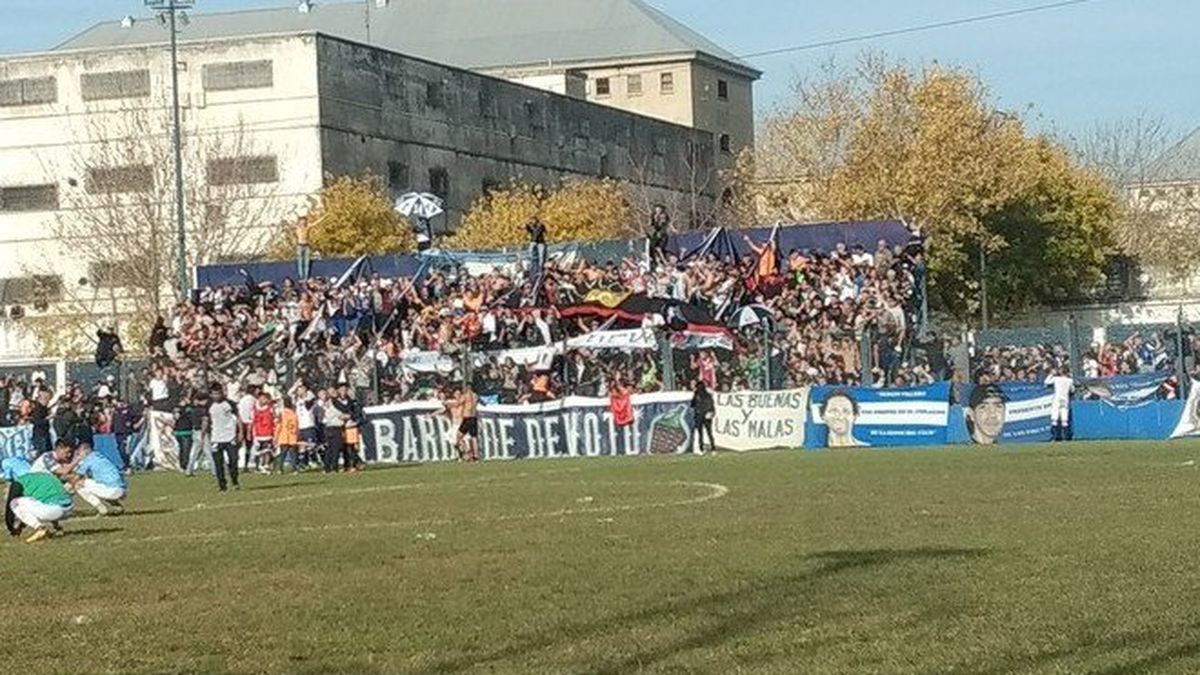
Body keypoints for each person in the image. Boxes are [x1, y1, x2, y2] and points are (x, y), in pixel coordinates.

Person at [5, 468, 74, 543]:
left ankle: (40, 529)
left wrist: (12, 528)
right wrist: (56, 526)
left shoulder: (19, 482)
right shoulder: (46, 477)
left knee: (14, 502)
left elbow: (10, 508)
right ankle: (58, 528)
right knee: (46, 501)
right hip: (69, 509)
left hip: (53, 511)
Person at [204, 385, 241, 492]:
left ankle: (234, 480)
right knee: (218, 463)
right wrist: (203, 434)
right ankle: (222, 485)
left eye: (218, 393)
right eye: (214, 394)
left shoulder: (230, 403)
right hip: (216, 438)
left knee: (233, 460)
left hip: (230, 437)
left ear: (222, 393)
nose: (216, 396)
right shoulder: (209, 405)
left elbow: (238, 418)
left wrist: (241, 432)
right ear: (211, 394)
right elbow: (206, 420)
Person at [72, 446, 127, 516]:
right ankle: (117, 506)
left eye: (79, 453)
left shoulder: (89, 459)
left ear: (85, 451)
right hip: (121, 490)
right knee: (96, 485)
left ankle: (101, 509)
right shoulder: (100, 457)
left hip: (112, 490)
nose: (78, 456)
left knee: (78, 485)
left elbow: (76, 477)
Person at [452, 384, 480, 463]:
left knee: (458, 436)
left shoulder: (465, 396)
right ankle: (476, 457)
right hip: (474, 417)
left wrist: (448, 403)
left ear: (467, 388)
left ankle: (464, 454)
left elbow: (458, 404)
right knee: (474, 438)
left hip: (467, 417)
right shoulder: (475, 396)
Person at [1045, 367, 1074, 441]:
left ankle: (1055, 437)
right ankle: (1065, 437)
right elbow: (1072, 390)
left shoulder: (1056, 379)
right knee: (1064, 419)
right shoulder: (1070, 380)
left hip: (1057, 399)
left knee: (1054, 418)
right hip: (1065, 400)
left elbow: (1046, 382)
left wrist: (1051, 374)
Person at [251, 391, 277, 474]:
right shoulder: (254, 409)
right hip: (258, 434)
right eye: (261, 398)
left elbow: (276, 419)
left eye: (265, 398)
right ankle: (259, 466)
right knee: (259, 451)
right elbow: (252, 421)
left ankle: (266, 465)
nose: (263, 400)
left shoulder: (271, 408)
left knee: (268, 450)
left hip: (268, 433)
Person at [690, 380, 716, 454]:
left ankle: (701, 448)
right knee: (709, 433)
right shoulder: (708, 395)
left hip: (699, 415)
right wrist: (711, 412)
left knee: (700, 433)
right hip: (707, 415)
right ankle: (713, 448)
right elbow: (712, 405)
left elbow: (692, 404)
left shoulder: (696, 394)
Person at [276, 396, 300, 473]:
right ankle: (294, 468)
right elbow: (296, 426)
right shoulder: (294, 414)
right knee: (293, 454)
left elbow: (279, 425)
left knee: (283, 454)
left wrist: (276, 436)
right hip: (292, 436)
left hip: (283, 436)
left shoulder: (282, 413)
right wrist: (297, 434)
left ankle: (280, 468)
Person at [295, 215, 312, 280]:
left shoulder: (307, 227)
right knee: (300, 262)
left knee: (307, 262)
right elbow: (287, 226)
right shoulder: (297, 228)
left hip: (306, 245)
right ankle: (301, 276)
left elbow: (316, 223)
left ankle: (306, 277)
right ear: (299, 222)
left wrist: (325, 216)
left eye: (304, 221)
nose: (303, 223)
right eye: (301, 221)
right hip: (300, 245)